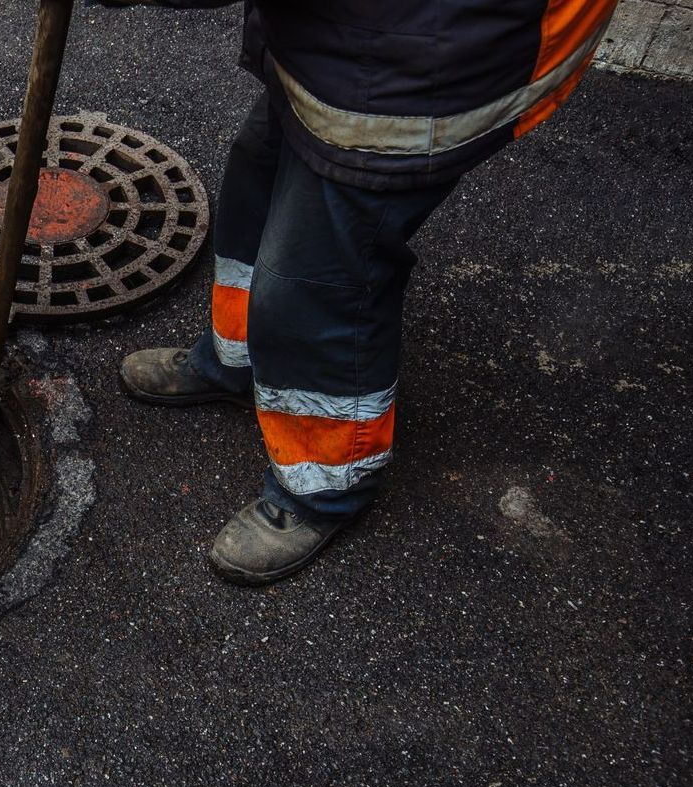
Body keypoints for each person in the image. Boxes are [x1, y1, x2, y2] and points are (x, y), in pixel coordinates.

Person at [103, 0, 620, 584]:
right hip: (351, 35)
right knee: (257, 182)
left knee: (319, 278)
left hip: (428, 54)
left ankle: (326, 482)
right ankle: (239, 360)